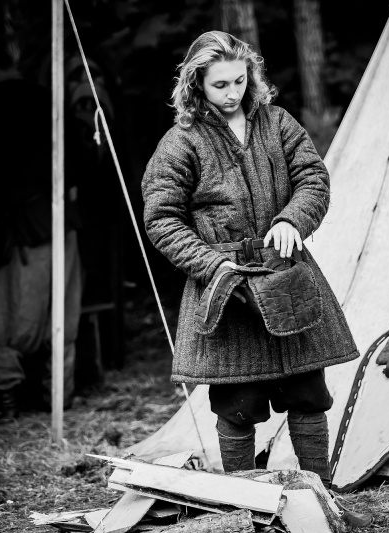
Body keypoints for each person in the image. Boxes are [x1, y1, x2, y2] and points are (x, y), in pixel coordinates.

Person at [141, 31, 359, 486]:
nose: (233, 92)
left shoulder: (277, 122)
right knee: (237, 406)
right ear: (196, 83)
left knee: (308, 393)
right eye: (220, 84)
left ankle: (320, 495)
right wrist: (211, 264)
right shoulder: (181, 141)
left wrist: (292, 221)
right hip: (227, 286)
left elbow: (314, 179)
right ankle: (243, 502)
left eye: (239, 80)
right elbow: (161, 219)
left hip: (286, 275)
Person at [0, 43, 82, 421]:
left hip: (26, 225)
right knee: (60, 310)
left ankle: (7, 398)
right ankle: (56, 395)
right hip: (60, 217)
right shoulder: (48, 98)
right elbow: (76, 156)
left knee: (11, 314)